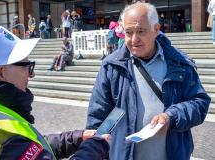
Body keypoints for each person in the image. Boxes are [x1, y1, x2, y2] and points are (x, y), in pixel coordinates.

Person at [86, 2, 210, 160]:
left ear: (156, 29)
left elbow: (199, 102)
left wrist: (171, 117)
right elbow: (98, 117)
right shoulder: (112, 66)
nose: (133, 39)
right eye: (128, 32)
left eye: (140, 31)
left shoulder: (179, 63)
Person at [0, 25, 110, 160]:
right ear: (0, 73)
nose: (31, 75)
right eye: (26, 66)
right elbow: (19, 145)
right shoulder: (2, 132)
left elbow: (31, 146)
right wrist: (95, 147)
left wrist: (76, 138)